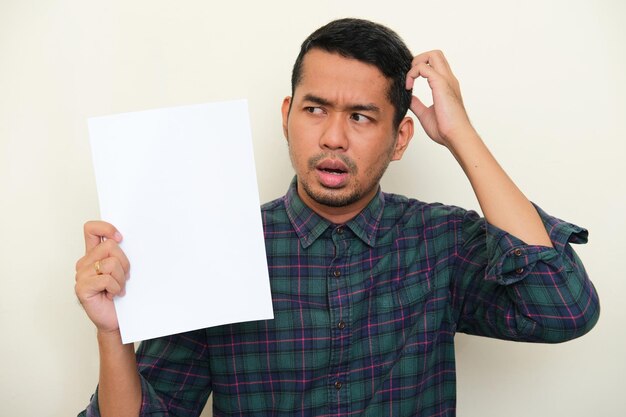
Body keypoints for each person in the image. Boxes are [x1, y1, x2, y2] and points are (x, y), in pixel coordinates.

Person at [75, 18, 600, 417]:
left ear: (400, 139)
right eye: (315, 109)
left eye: (361, 117)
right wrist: (113, 332)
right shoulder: (218, 242)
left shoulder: (442, 239)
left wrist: (460, 135)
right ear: (287, 117)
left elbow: (561, 310)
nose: (332, 137)